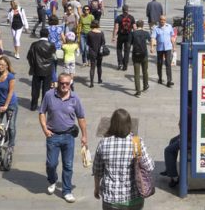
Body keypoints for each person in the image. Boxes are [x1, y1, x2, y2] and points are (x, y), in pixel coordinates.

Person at [39, 72, 88, 203]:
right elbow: (42, 112)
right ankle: (52, 180)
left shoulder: (75, 98)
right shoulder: (49, 95)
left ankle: (66, 191)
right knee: (51, 164)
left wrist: (84, 136)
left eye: (67, 83)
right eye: (62, 83)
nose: (64, 86)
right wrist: (45, 129)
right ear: (58, 83)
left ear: (70, 83)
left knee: (68, 165)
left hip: (68, 136)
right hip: (52, 135)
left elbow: (81, 117)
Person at [93, 108, 154, 210]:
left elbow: (97, 170)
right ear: (129, 124)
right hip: (134, 197)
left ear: (112, 124)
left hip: (111, 198)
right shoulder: (137, 142)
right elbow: (149, 166)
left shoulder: (103, 143)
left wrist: (96, 188)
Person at [27, 28, 56, 110]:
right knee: (46, 88)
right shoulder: (51, 45)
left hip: (36, 69)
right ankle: (44, 106)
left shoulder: (34, 44)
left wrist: (32, 65)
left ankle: (33, 105)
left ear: (40, 34)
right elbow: (53, 56)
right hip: (48, 70)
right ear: (48, 35)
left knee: (35, 88)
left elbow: (29, 56)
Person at [0, 55, 18, 149]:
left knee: (11, 126)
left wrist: (6, 105)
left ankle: (11, 145)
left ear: (7, 65)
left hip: (11, 104)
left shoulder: (11, 77)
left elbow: (11, 92)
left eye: (2, 65)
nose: (0, 67)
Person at [152, 15, 174, 87]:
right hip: (160, 48)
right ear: (159, 20)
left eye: (164, 20)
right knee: (159, 63)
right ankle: (160, 78)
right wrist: (152, 47)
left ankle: (169, 80)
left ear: (165, 20)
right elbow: (153, 38)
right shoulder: (156, 28)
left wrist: (174, 46)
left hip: (168, 47)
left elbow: (172, 36)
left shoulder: (169, 26)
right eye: (161, 20)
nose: (162, 21)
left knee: (168, 63)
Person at [113, 5, 135, 71]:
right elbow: (134, 28)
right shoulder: (131, 17)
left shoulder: (118, 18)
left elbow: (116, 28)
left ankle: (120, 63)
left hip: (120, 35)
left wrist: (114, 37)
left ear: (122, 10)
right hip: (129, 36)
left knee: (119, 49)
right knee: (127, 51)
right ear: (128, 10)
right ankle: (125, 65)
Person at [131, 21, 150, 96]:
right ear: (143, 25)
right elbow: (150, 40)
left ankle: (138, 91)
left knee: (137, 74)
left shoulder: (133, 33)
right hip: (144, 54)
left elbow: (130, 43)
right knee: (145, 71)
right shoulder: (146, 33)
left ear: (136, 25)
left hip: (135, 54)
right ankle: (145, 86)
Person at [86, 20, 106, 88]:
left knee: (92, 67)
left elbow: (88, 43)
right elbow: (103, 42)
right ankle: (99, 79)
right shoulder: (101, 33)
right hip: (99, 52)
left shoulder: (89, 33)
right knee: (99, 66)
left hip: (92, 51)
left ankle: (91, 83)